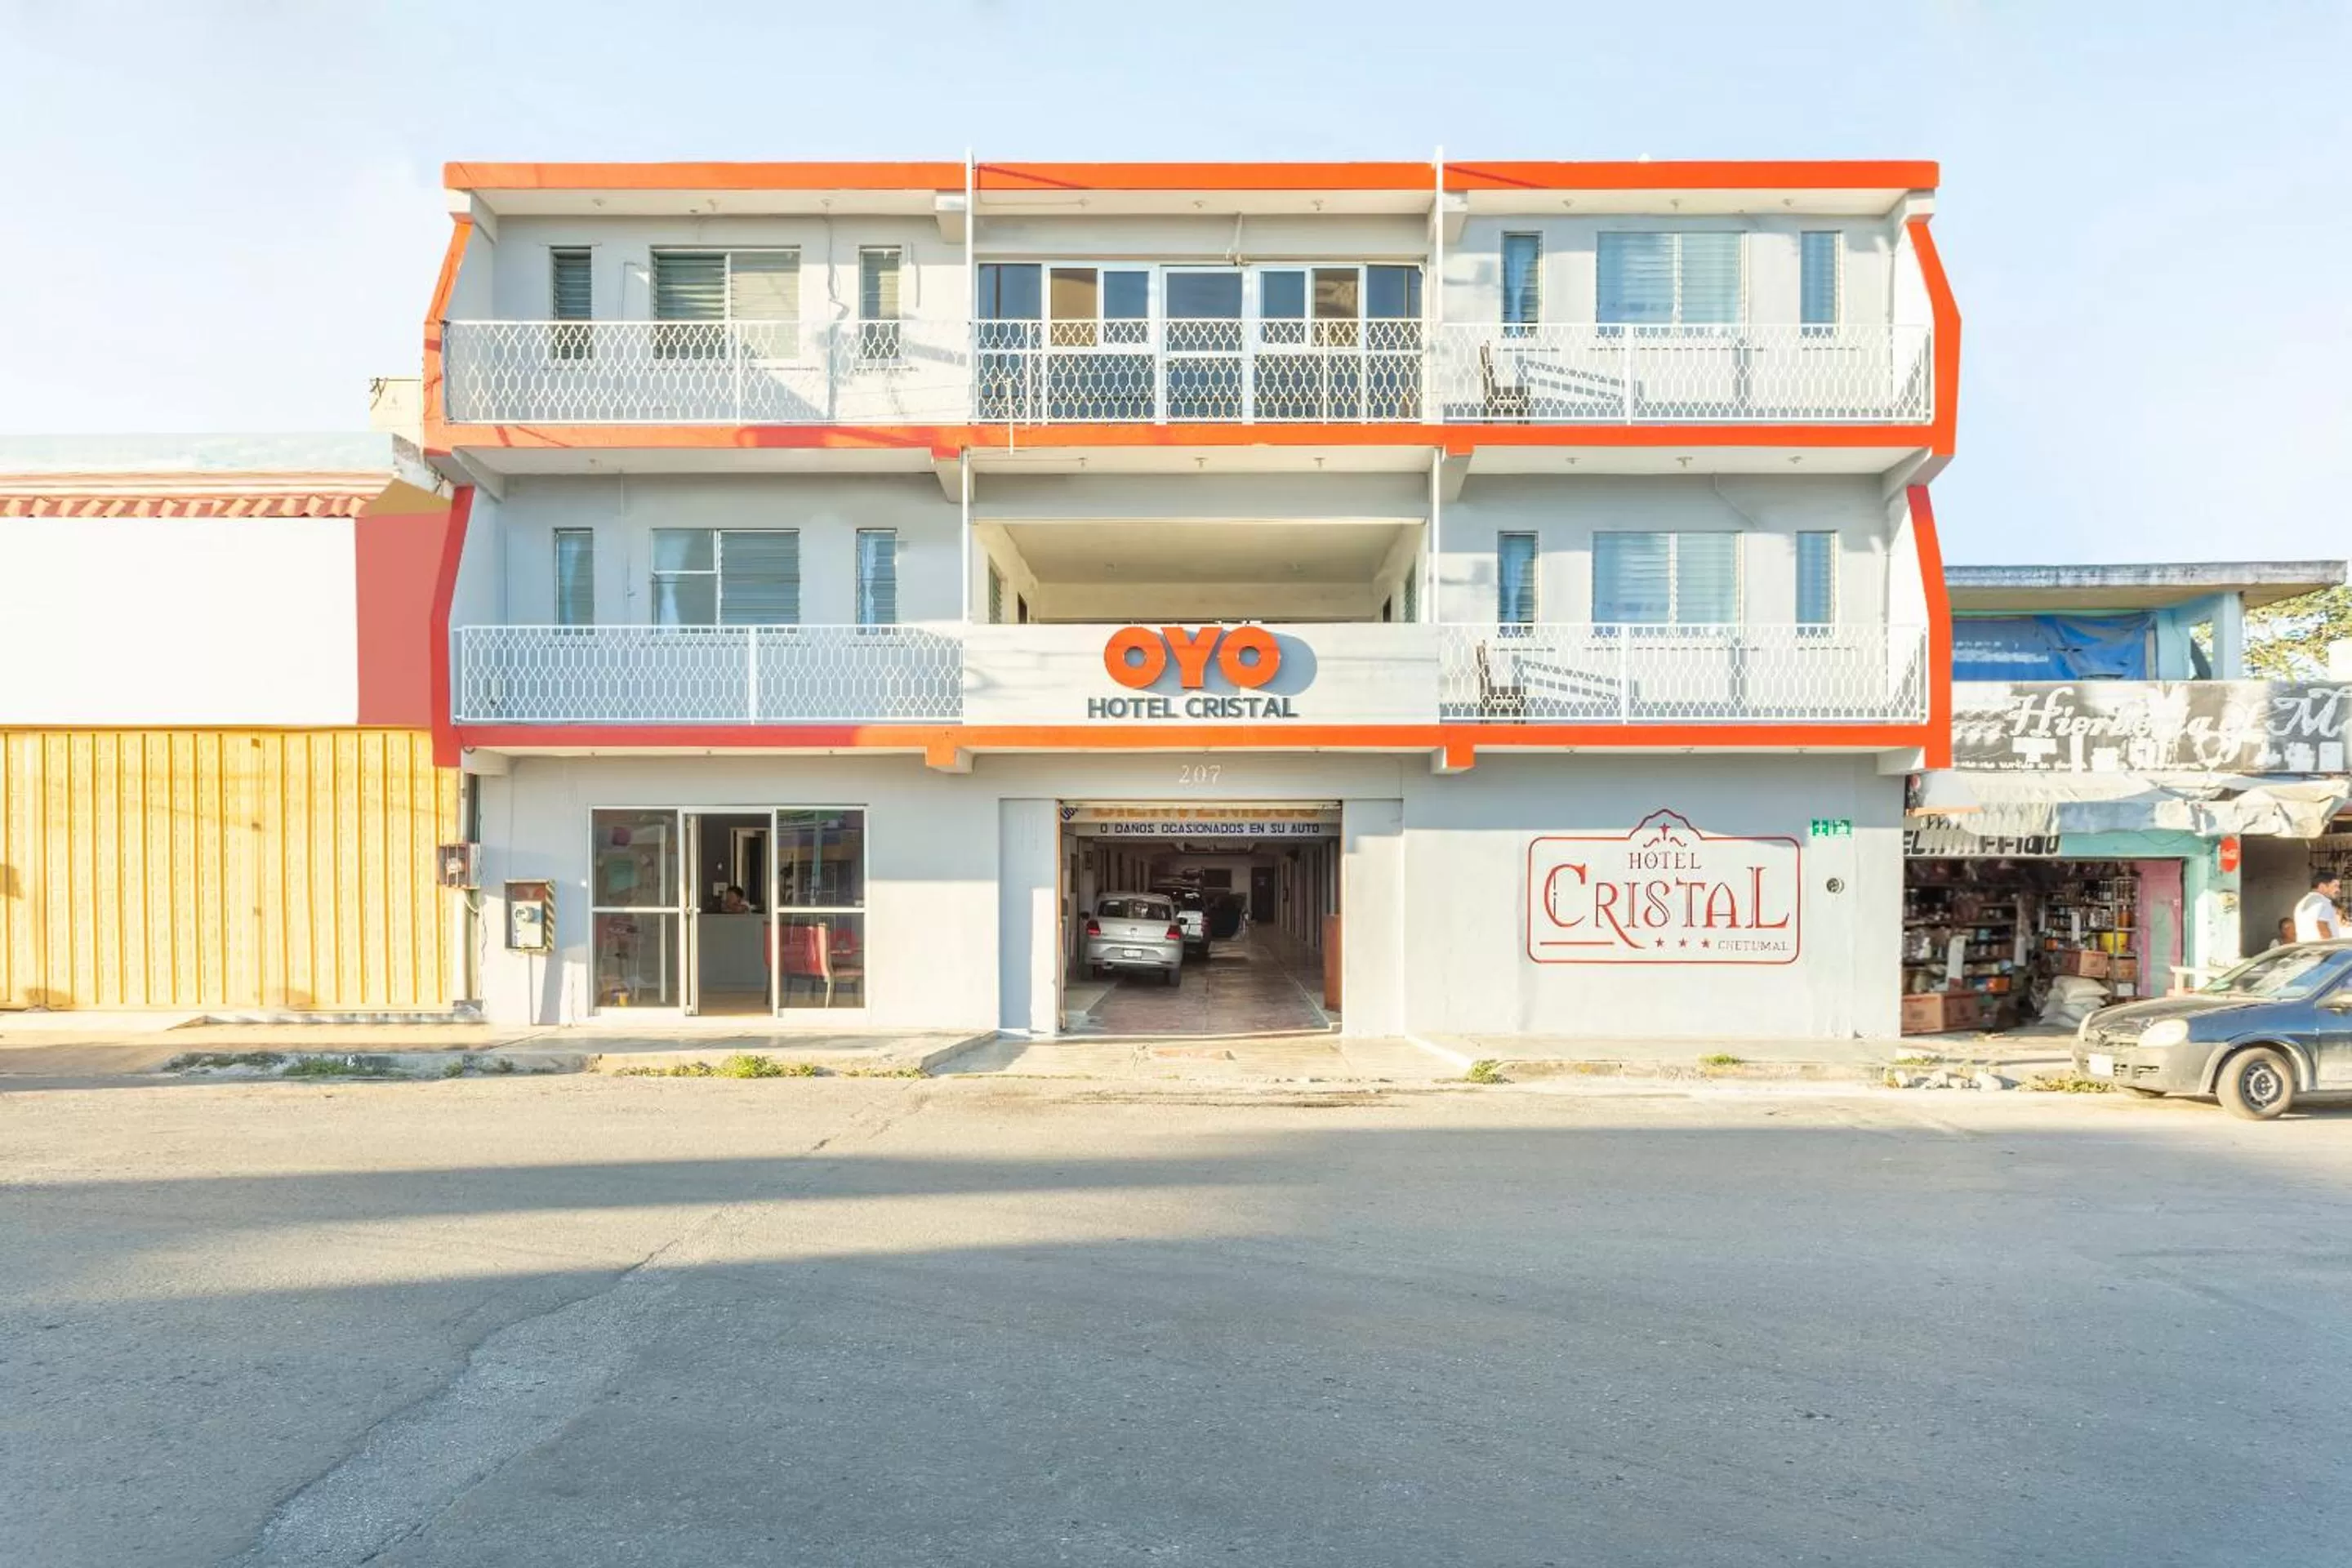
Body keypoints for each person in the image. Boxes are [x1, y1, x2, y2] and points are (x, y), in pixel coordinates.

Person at [2291, 871, 2343, 943]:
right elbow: (2322, 927)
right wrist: (2333, 947)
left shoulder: (2302, 902)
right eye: (2335, 886)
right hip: (2322, 950)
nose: (2338, 890)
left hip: (2306, 949)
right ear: (2322, 886)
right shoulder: (2323, 902)